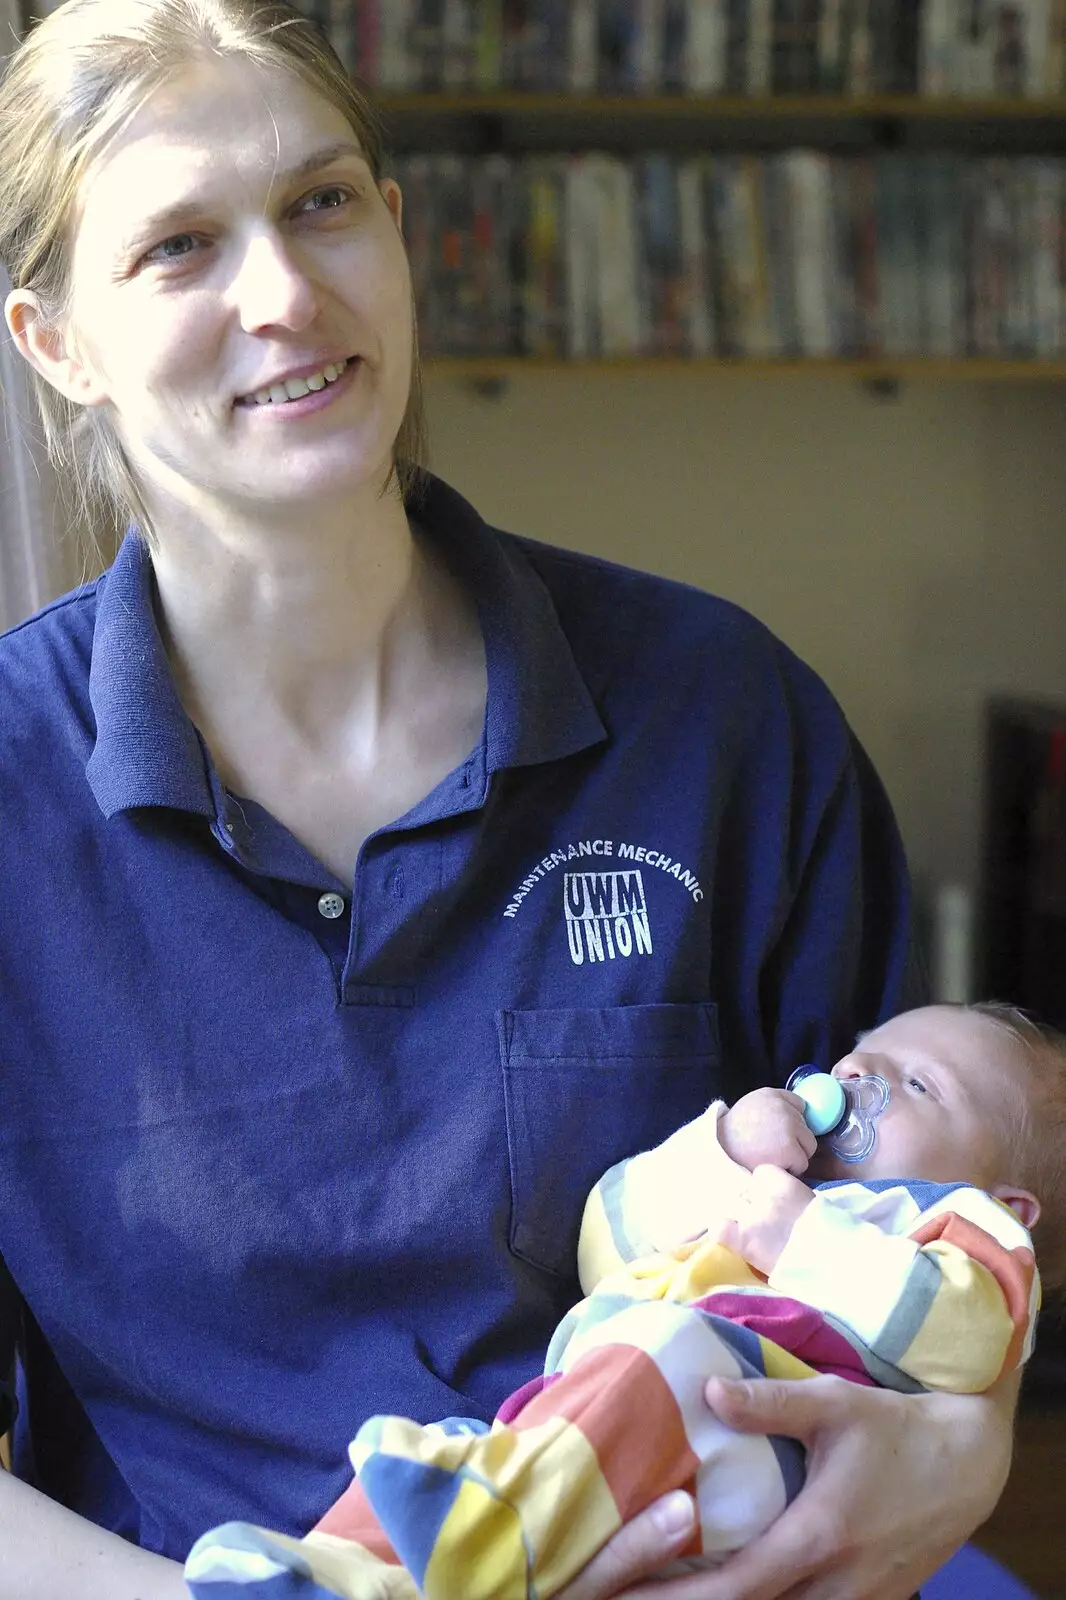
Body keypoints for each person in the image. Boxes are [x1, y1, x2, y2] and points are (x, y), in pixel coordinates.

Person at [0, 0, 1020, 1595]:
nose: (284, 294)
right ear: (54, 343)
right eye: (180, 247)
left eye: (321, 202)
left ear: (397, 235)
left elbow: (936, 1213)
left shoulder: (725, 712)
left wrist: (967, 1448)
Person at [183, 1001, 1060, 1598]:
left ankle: (480, 1561)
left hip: (747, 1440)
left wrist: (808, 1241)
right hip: (600, 1402)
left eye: (917, 1085)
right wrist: (719, 1151)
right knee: (462, 1453)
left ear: (1009, 1204)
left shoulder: (956, 1234)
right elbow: (606, 1239)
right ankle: (332, 1569)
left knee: (655, 1367)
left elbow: (965, 1338)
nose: (863, 1068)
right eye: (868, 1049)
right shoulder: (765, 1181)